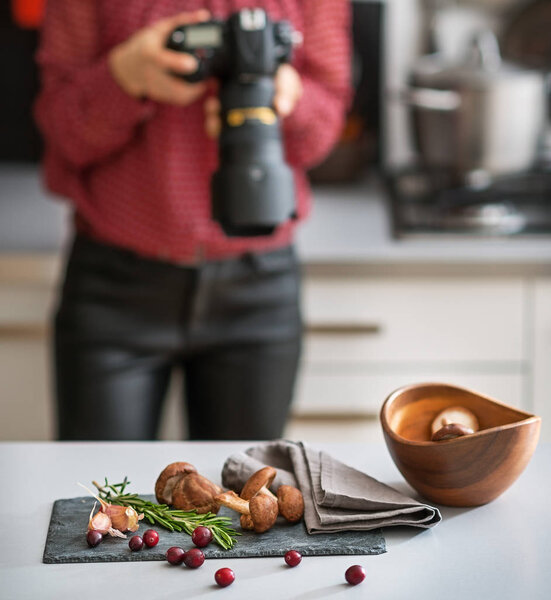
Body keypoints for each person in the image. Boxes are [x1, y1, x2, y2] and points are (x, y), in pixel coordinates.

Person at [34, 1, 350, 441]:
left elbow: (326, 123)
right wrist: (124, 76)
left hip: (258, 292)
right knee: (100, 502)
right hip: (113, 290)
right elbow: (61, 129)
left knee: (243, 502)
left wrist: (283, 98)